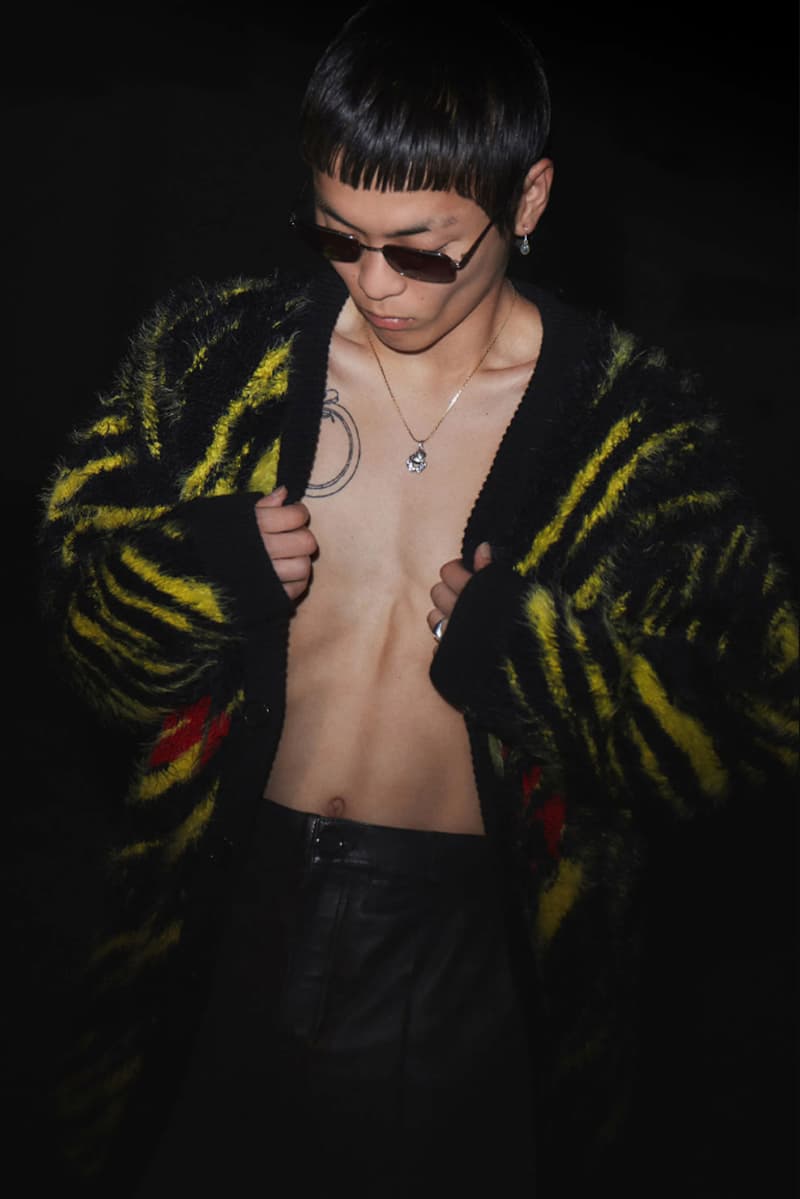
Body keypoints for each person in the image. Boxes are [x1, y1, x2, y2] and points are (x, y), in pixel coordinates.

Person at [40, 3, 797, 1196]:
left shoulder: (629, 431)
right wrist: (191, 573)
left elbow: (757, 721)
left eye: (422, 249)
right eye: (336, 237)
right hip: (215, 905)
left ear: (526, 200)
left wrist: (534, 658)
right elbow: (83, 648)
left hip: (464, 949)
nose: (375, 283)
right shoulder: (212, 361)